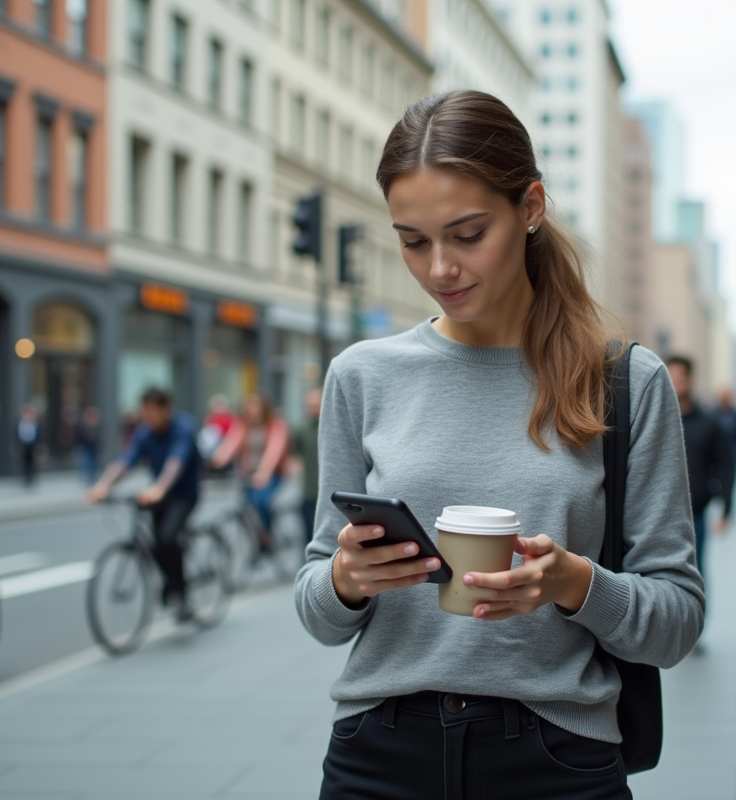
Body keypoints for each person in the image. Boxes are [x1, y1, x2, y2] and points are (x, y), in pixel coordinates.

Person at [295, 90, 704, 799]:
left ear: (531, 208)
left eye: (467, 233)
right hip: (378, 755)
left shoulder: (625, 381)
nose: (440, 268)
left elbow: (675, 622)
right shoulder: (360, 377)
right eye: (413, 241)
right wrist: (345, 581)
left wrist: (574, 584)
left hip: (557, 760)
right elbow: (314, 603)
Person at [86, 388, 202, 621]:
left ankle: (181, 594)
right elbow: (126, 460)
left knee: (168, 538)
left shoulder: (183, 428)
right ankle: (170, 581)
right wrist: (103, 485)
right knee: (153, 542)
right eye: (144, 412)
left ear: (166, 410)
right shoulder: (144, 432)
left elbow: (175, 462)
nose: (147, 417)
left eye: (152, 412)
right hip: (158, 493)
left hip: (184, 493)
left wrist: (159, 487)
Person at [665, 356, 734, 585]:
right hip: (656, 513)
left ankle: (699, 620)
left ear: (691, 380)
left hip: (695, 513)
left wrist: (725, 510)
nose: (675, 382)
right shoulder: (655, 421)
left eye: (681, 377)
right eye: (670, 376)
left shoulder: (709, 423)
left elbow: (726, 465)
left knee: (696, 571)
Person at [210, 394, 290, 548]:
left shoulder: (275, 425)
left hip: (271, 474)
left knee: (261, 501)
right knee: (246, 504)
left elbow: (274, 451)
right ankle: (255, 535)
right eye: (250, 411)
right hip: (248, 474)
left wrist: (264, 472)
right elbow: (231, 443)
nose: (253, 414)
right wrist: (217, 459)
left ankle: (267, 534)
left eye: (257, 411)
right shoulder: (243, 425)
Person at [291, 386, 321, 546]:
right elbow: (296, 456)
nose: (313, 408)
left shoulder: (332, 429)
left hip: (329, 495)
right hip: (309, 493)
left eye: (317, 404)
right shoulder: (302, 430)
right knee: (309, 538)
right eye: (310, 404)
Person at [13, 404, 42, 487]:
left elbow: (39, 435)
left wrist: (39, 445)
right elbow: (16, 435)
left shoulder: (35, 423)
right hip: (23, 445)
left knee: (32, 463)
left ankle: (31, 478)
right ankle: (26, 478)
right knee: (24, 463)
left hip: (32, 445)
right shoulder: (19, 423)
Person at [74, 406, 101, 486]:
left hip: (93, 447)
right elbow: (78, 436)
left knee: (93, 463)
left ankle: (92, 477)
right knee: (85, 462)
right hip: (84, 447)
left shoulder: (96, 425)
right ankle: (86, 478)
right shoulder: (82, 425)